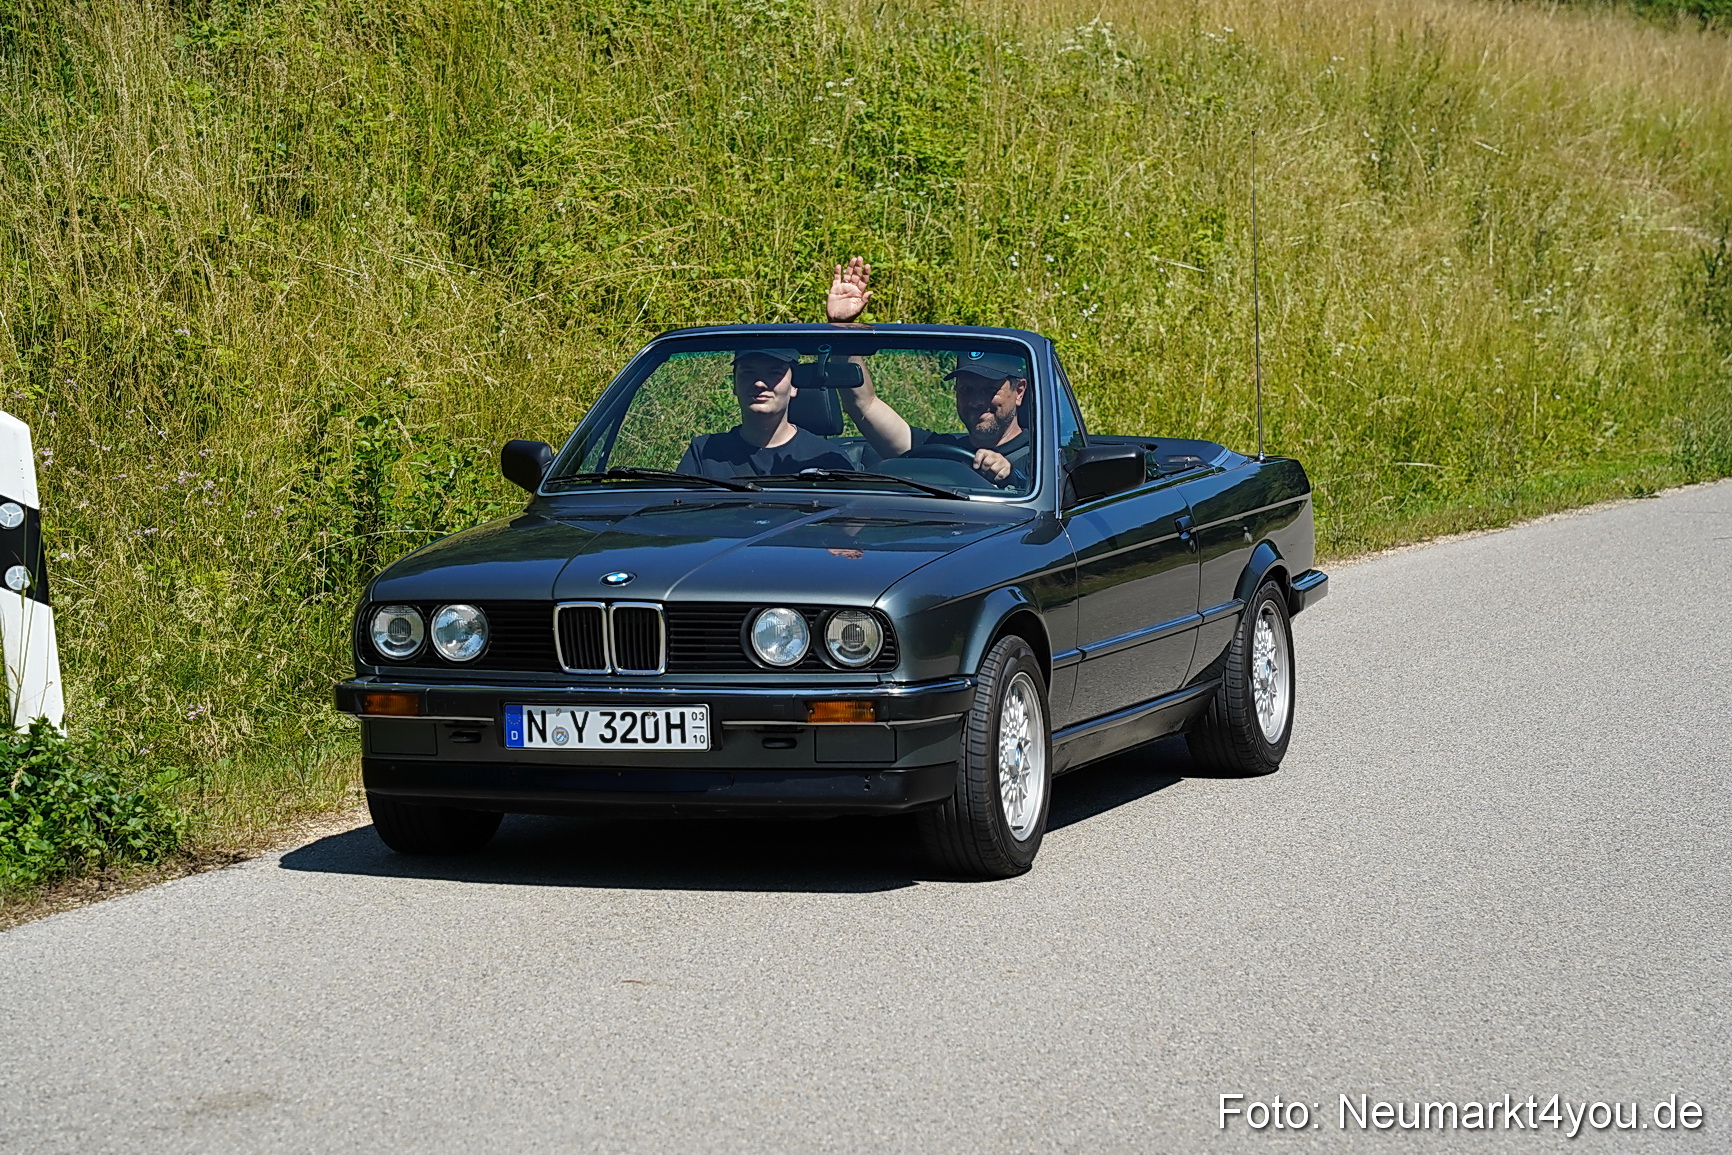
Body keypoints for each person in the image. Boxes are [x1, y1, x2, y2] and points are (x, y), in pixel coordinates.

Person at [825, 257, 1030, 487]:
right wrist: (841, 329)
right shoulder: (938, 451)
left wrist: (1011, 477)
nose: (975, 401)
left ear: (1019, 391)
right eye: (966, 389)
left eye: (989, 389)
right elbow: (864, 403)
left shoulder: (1043, 461)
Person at [676, 347, 854, 479]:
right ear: (734, 385)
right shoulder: (704, 453)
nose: (759, 383)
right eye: (748, 373)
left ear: (794, 385)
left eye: (774, 372)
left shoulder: (828, 459)